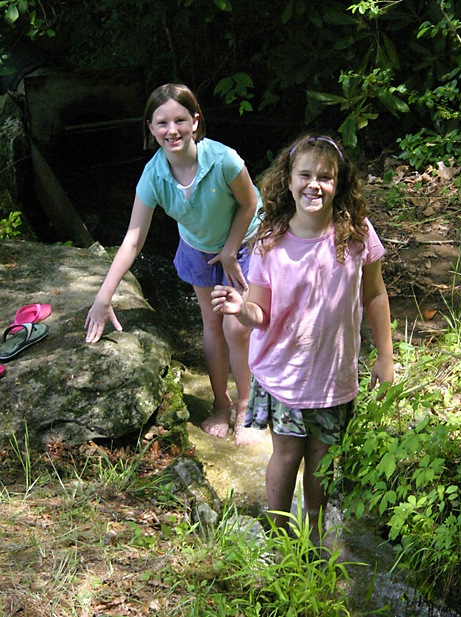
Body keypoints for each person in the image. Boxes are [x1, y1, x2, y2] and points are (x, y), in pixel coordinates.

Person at [211, 133, 394, 545]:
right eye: (305, 175)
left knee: (322, 462)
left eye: (325, 177)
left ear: (339, 184)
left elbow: (375, 293)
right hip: (285, 377)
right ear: (288, 182)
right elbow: (261, 314)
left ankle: (312, 539)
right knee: (288, 454)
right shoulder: (271, 242)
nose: (315, 184)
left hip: (335, 378)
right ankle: (276, 536)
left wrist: (385, 356)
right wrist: (240, 309)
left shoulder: (357, 233)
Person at [85, 83, 263, 446]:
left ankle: (246, 404)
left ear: (195, 122)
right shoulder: (153, 176)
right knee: (211, 325)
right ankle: (220, 402)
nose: (172, 130)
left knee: (237, 327)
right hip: (197, 249)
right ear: (150, 128)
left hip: (243, 242)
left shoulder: (224, 160)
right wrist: (103, 298)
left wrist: (230, 249)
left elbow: (251, 204)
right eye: (162, 122)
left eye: (180, 120)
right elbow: (133, 239)